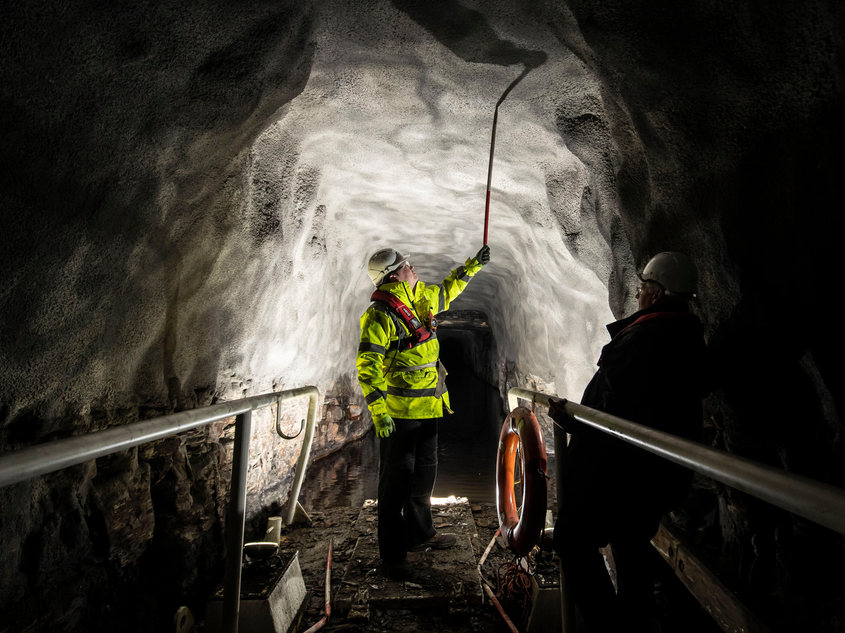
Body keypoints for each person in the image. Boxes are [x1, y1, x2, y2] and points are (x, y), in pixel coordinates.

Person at [548, 251, 708, 632]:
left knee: (572, 541)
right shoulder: (687, 336)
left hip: (620, 475)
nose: (637, 295)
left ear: (654, 293)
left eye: (641, 288)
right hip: (658, 474)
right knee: (632, 545)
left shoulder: (643, 338)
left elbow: (617, 413)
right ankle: (635, 625)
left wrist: (571, 421)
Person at [356, 245, 491, 580]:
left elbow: (448, 289)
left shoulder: (422, 298)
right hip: (399, 414)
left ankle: (421, 534)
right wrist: (379, 411)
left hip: (429, 406)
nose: (411, 266)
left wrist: (473, 266)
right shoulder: (379, 315)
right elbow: (367, 366)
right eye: (404, 265)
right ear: (390, 276)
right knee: (395, 485)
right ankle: (393, 553)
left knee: (424, 476)